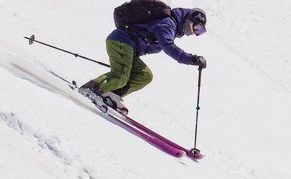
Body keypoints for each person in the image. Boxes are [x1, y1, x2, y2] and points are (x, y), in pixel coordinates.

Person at [79, 7, 207, 113]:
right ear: (189, 20)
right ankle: (91, 88)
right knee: (121, 76)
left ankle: (111, 93)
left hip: (129, 49)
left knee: (144, 75)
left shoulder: (171, 28)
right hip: (121, 41)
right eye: (196, 28)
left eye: (199, 32)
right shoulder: (167, 24)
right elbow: (169, 47)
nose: (194, 33)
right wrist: (192, 59)